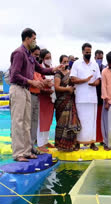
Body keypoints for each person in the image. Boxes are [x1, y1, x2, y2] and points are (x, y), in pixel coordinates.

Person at [9, 28, 62, 162]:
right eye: (33, 38)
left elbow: (40, 69)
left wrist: (54, 69)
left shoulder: (29, 56)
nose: (35, 41)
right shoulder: (19, 53)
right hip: (18, 89)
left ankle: (26, 151)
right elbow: (14, 75)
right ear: (27, 38)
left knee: (27, 123)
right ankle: (18, 153)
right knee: (18, 122)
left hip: (26, 89)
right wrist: (31, 81)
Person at [71, 43, 101, 151]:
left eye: (90, 52)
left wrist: (95, 83)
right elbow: (73, 79)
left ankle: (92, 143)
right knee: (81, 122)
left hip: (92, 98)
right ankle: (78, 143)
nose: (88, 54)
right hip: (80, 98)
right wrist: (85, 80)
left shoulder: (95, 64)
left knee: (92, 122)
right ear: (82, 52)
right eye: (86, 52)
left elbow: (98, 78)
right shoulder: (76, 64)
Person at [54, 55, 81, 151]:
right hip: (62, 101)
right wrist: (67, 89)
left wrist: (72, 89)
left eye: (67, 61)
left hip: (70, 100)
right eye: (64, 61)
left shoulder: (71, 73)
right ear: (60, 62)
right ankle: (61, 145)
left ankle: (71, 145)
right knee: (62, 123)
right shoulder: (58, 73)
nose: (66, 63)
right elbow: (56, 87)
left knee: (71, 122)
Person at [36, 49, 56, 152]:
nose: (49, 60)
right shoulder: (40, 70)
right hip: (43, 97)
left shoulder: (52, 68)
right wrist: (46, 90)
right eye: (46, 58)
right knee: (42, 121)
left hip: (51, 98)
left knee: (48, 121)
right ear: (42, 59)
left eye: (50, 57)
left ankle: (46, 140)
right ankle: (40, 144)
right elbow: (39, 84)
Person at [29, 45, 42, 154]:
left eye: (38, 55)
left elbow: (40, 81)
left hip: (36, 96)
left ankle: (31, 146)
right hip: (28, 95)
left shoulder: (36, 67)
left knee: (34, 122)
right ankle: (25, 148)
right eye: (35, 55)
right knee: (26, 122)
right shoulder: (26, 65)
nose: (37, 57)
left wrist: (44, 83)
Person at [94, 50, 105, 145]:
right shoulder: (91, 68)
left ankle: (102, 139)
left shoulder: (105, 68)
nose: (99, 60)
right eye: (98, 58)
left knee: (102, 120)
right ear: (94, 58)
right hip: (92, 97)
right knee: (93, 120)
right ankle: (92, 139)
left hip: (102, 97)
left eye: (101, 58)